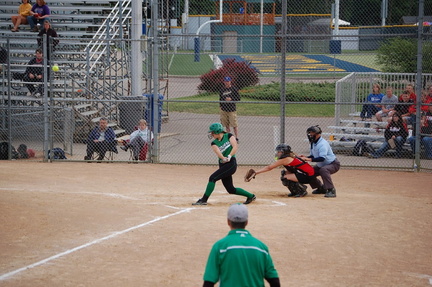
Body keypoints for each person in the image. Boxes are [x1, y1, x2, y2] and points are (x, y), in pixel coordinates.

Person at [201, 203, 280, 287]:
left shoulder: (220, 247)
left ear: (228, 222)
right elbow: (274, 281)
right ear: (246, 222)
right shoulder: (261, 248)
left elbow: (208, 282)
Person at [192, 123, 255, 205]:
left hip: (231, 163)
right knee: (230, 189)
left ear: (217, 131)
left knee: (212, 178)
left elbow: (235, 146)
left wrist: (229, 156)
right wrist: (223, 158)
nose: (211, 134)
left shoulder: (229, 136)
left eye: (213, 132)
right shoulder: (214, 143)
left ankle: (204, 200)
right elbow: (218, 152)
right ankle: (251, 196)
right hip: (223, 164)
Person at [299, 125, 340, 198]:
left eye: (312, 134)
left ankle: (331, 190)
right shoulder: (313, 143)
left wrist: (308, 159)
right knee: (310, 171)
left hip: (333, 164)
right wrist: (305, 157)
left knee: (323, 170)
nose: (310, 135)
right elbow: (313, 156)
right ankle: (321, 188)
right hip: (322, 164)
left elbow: (322, 158)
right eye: (310, 134)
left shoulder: (322, 144)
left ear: (318, 134)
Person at [219, 76, 240, 140]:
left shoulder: (234, 89)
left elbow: (238, 98)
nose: (227, 83)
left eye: (228, 81)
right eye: (225, 81)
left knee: (234, 124)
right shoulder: (222, 90)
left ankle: (236, 137)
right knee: (226, 124)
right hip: (224, 109)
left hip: (231, 109)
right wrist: (221, 105)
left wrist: (231, 99)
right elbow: (220, 98)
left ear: (230, 81)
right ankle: (228, 137)